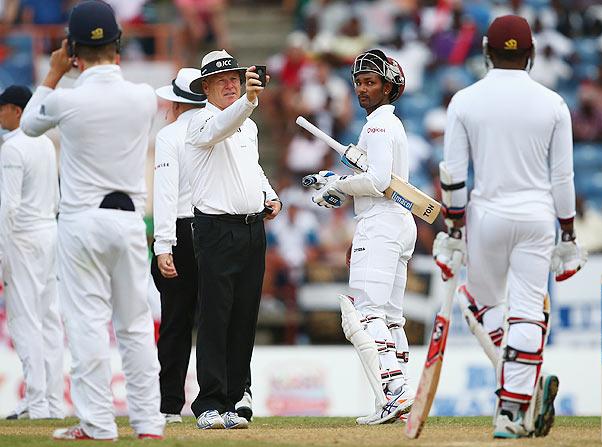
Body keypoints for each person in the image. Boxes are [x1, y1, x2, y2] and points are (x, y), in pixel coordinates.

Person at [433, 15, 586, 438]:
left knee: (478, 303)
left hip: (487, 216)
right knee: (527, 312)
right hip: (537, 218)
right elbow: (563, 178)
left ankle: (517, 392)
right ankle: (514, 408)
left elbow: (453, 172)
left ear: (485, 51)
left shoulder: (464, 100)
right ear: (532, 53)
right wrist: (569, 233)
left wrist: (454, 228)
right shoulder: (553, 103)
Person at [20, 0, 164, 440]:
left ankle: (99, 424)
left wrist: (53, 72)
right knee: (136, 326)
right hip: (128, 222)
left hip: (81, 222)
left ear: (72, 49)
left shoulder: (65, 98)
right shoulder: (143, 97)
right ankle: (148, 424)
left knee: (86, 326)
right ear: (118, 46)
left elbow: (26, 125)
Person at [303, 49, 416, 425]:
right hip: (396, 223)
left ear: (389, 87)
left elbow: (378, 181)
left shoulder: (378, 126)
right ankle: (400, 397)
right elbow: (379, 184)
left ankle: (394, 391)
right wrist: (345, 190)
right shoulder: (390, 125)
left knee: (364, 313)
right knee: (391, 317)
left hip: (382, 222)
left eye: (371, 83)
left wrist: (336, 185)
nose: (362, 90)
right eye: (359, 83)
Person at [185, 49, 280, 430]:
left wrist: (268, 194)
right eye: (222, 80)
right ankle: (208, 402)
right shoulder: (199, 122)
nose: (230, 85)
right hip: (215, 231)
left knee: (243, 317)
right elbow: (221, 127)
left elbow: (251, 167)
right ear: (205, 86)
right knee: (215, 317)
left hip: (251, 228)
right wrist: (250, 100)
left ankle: (234, 399)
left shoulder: (248, 123)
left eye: (235, 79)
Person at [0, 85, 64, 420]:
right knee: (49, 318)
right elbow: (55, 197)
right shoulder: (44, 142)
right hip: (48, 231)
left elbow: (8, 207)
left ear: (15, 109)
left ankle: (37, 401)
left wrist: (1, 253)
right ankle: (51, 402)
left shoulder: (12, 148)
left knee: (25, 320)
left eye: (2, 109)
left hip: (22, 237)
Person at [152, 67, 205, 424]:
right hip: (217, 228)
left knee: (175, 321)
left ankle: (171, 405)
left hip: (181, 230)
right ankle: (223, 399)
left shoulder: (169, 134)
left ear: (176, 103)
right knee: (219, 320)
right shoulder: (220, 127)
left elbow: (165, 192)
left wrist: (162, 244)